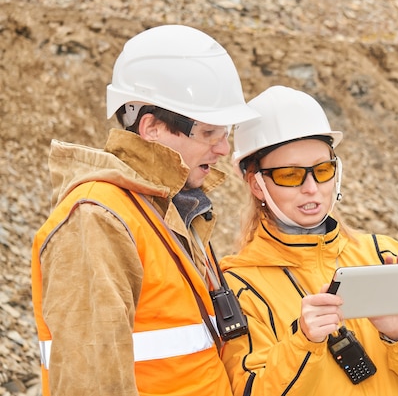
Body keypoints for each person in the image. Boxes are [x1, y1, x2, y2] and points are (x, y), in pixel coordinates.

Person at [31, 25, 261, 396]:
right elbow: (91, 382)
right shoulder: (97, 220)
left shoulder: (168, 211)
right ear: (152, 127)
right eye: (208, 133)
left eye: (226, 132)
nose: (223, 149)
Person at [219, 85, 398, 395]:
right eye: (290, 175)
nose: (311, 187)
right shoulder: (238, 285)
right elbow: (248, 390)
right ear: (256, 184)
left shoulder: (383, 255)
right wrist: (304, 342)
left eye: (322, 170)